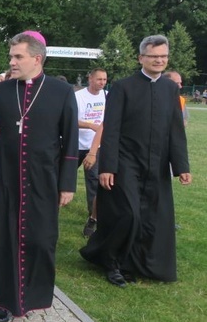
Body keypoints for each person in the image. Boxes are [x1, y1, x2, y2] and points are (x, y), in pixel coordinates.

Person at [0, 31, 78, 322]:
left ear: (37, 59)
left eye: (18, 57)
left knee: (40, 239)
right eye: (11, 56)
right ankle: (3, 301)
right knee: (3, 238)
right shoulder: (1, 92)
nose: (11, 62)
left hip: (43, 179)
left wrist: (67, 183)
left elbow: (70, 141)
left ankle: (33, 296)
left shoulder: (61, 92)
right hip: (5, 177)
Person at [80, 35, 191, 287]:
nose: (160, 60)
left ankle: (139, 264)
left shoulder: (170, 88)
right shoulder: (123, 86)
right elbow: (112, 128)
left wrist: (181, 166)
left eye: (163, 56)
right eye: (154, 56)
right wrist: (107, 167)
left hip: (157, 163)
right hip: (126, 161)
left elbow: (175, 129)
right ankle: (110, 261)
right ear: (141, 58)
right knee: (128, 214)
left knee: (152, 216)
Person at [76, 68, 107, 238]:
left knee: (94, 180)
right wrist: (90, 125)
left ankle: (93, 215)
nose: (102, 82)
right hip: (76, 144)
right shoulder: (78, 96)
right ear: (90, 79)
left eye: (104, 79)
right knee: (61, 176)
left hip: (96, 147)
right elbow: (70, 119)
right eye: (99, 79)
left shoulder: (107, 96)